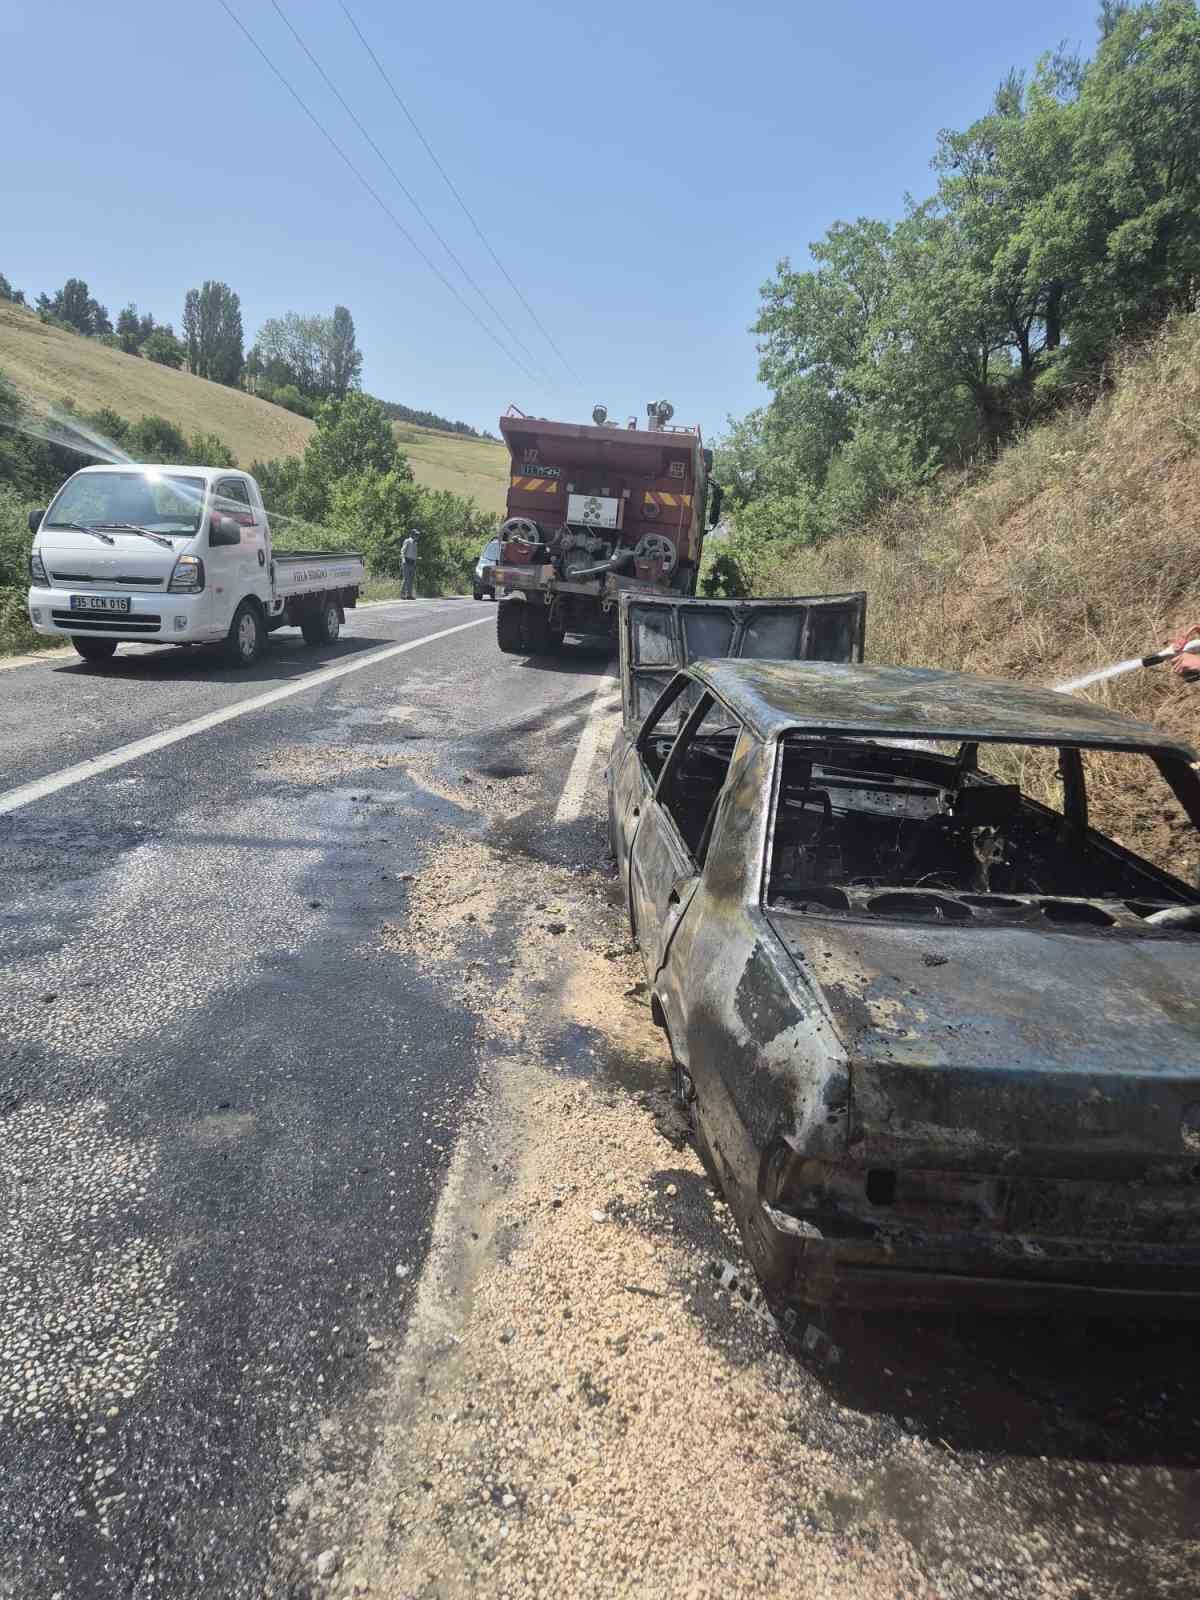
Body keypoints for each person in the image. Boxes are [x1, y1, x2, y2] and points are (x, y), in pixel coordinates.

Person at [401, 529, 418, 599]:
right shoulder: (407, 541)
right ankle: (403, 594)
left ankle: (409, 595)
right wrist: (403, 560)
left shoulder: (415, 543)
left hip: (412, 562)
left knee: (411, 579)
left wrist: (416, 560)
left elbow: (414, 554)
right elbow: (402, 551)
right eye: (415, 534)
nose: (417, 536)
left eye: (417, 535)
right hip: (406, 562)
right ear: (411, 534)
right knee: (406, 579)